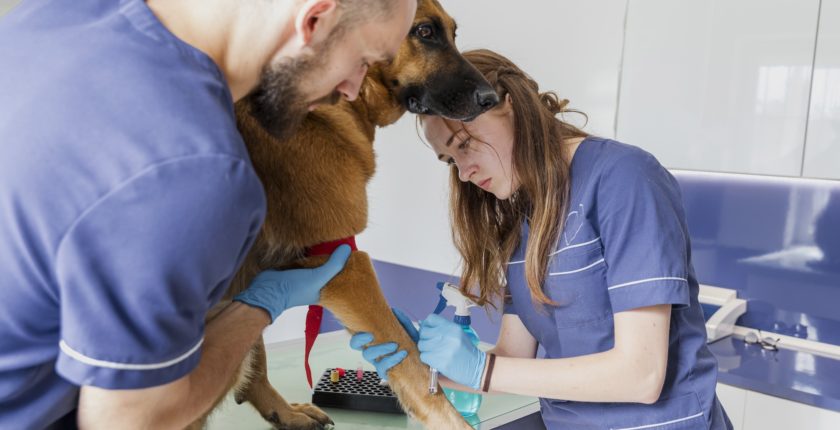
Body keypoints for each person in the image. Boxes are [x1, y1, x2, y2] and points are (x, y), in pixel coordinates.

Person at [0, 0, 416, 428]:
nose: (351, 89)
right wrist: (258, 308)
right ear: (315, 18)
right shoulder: (198, 167)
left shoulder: (54, 14)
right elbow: (131, 421)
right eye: (363, 60)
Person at [351, 49, 733, 429]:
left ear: (509, 104)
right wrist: (420, 363)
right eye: (450, 161)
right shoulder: (523, 213)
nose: (464, 173)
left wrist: (481, 369)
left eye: (464, 143)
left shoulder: (625, 177)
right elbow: (512, 357)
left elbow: (642, 374)